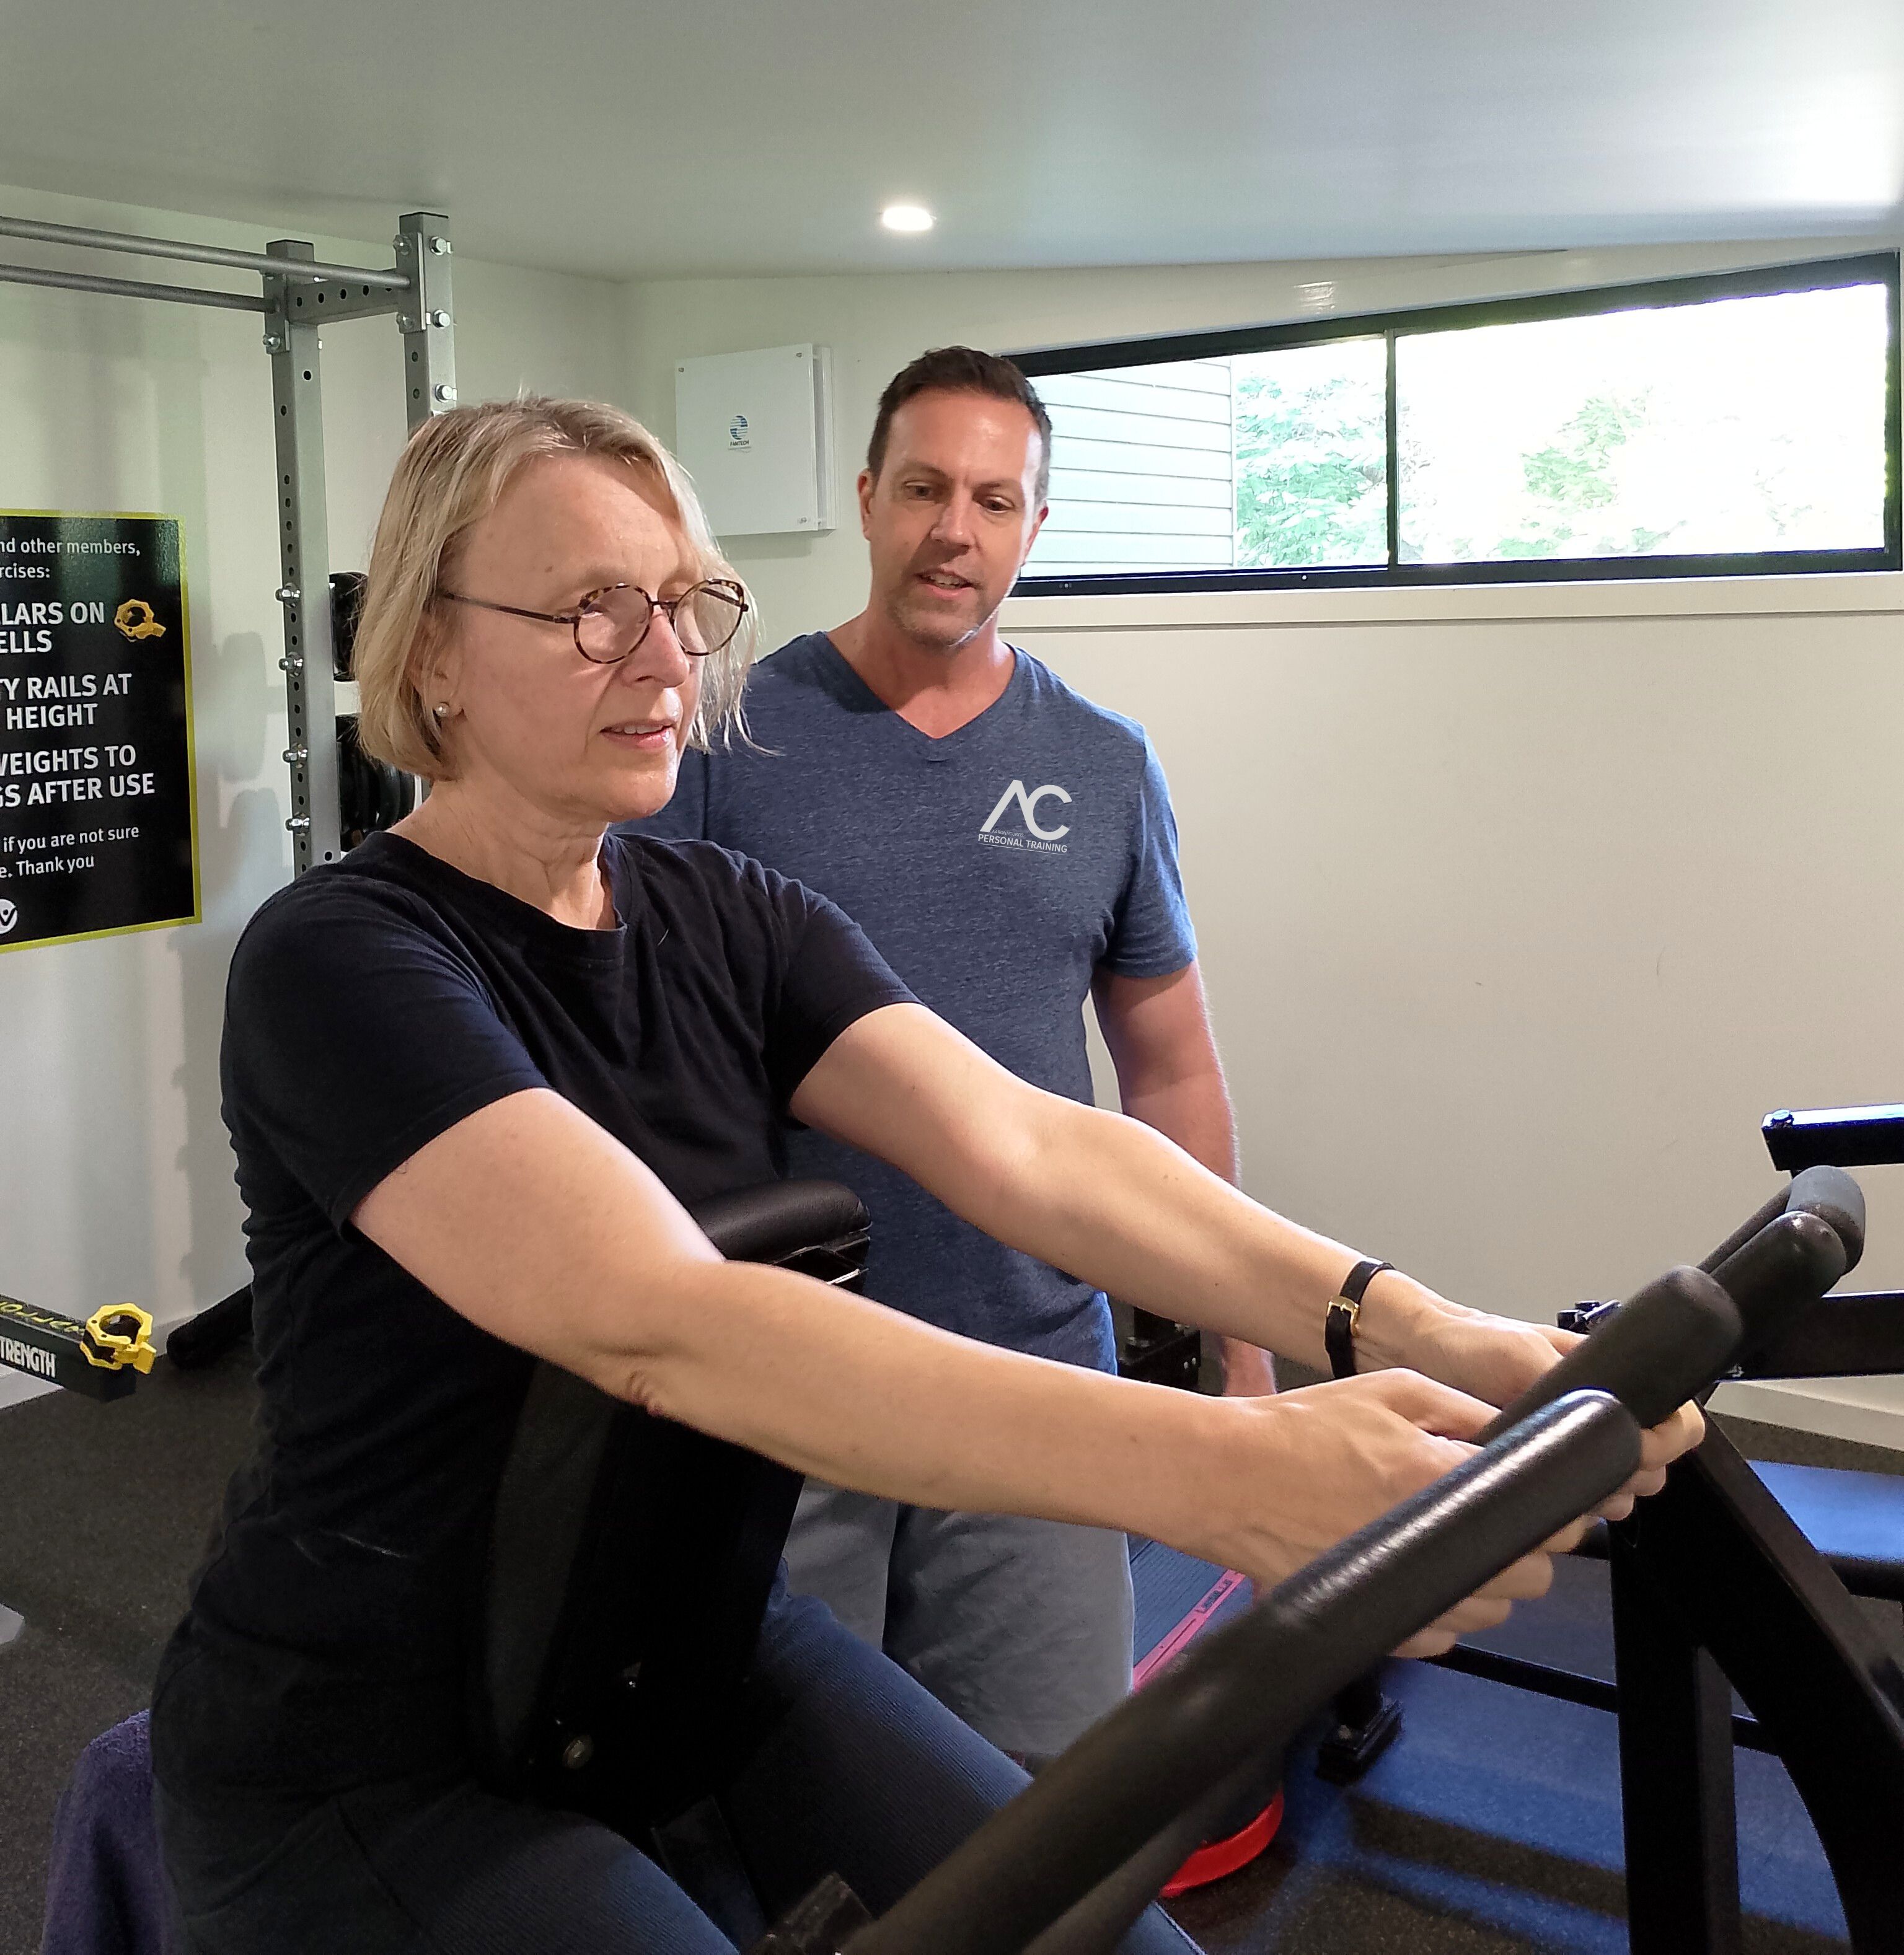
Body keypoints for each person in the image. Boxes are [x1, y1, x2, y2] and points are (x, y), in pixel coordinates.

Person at [149, 396, 1698, 1955]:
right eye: (591, 609)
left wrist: (1415, 1327)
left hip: (673, 1640)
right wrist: (1236, 1476)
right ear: (425, 652)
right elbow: (656, 1321)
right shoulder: (343, 959)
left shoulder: (728, 914)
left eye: (686, 602)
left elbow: (1034, 1145)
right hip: (377, 1743)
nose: (665, 656)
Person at [633, 346, 1266, 1763]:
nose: (953, 530)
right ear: (867, 499)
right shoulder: (724, 734)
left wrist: (1242, 1351)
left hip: (1036, 1361)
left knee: (1041, 1800)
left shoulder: (1105, 762)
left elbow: (1167, 1068)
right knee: (784, 1791)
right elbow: (634, 1043)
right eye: (923, 489)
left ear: (1036, 527)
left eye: (993, 499)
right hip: (792, 1370)